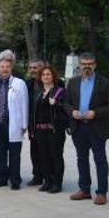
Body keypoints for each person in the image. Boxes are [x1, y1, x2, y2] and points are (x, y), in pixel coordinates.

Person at [63, 52, 109, 205]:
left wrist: (95, 113)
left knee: (100, 160)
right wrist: (72, 111)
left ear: (95, 65)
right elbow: (66, 103)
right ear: (79, 65)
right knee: (81, 159)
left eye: (90, 64)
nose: (87, 67)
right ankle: (84, 190)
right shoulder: (73, 82)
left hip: (97, 127)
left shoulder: (106, 83)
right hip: (78, 127)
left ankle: (101, 192)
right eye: (84, 64)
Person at [0, 57, 28, 190]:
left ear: (11, 69)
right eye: (2, 67)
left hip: (14, 123)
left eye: (7, 67)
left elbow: (24, 104)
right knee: (0, 153)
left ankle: (15, 179)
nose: (4, 69)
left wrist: (24, 124)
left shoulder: (19, 83)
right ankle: (2, 178)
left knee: (15, 154)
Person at [31, 66, 67, 194]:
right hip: (40, 130)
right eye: (43, 75)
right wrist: (33, 128)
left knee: (56, 156)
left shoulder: (60, 91)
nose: (46, 77)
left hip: (54, 130)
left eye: (48, 74)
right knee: (43, 156)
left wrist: (57, 104)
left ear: (53, 76)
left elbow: (66, 109)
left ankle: (57, 183)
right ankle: (47, 181)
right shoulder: (39, 92)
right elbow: (35, 112)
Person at [25, 59, 46, 187]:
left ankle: (51, 177)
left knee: (49, 152)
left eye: (35, 67)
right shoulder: (28, 83)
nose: (33, 70)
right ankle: (37, 176)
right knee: (35, 151)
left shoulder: (55, 83)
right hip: (33, 123)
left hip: (49, 124)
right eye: (30, 68)